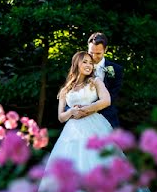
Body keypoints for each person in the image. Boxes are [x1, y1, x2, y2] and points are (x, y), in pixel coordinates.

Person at [42, 51, 120, 181]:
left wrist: (85, 110)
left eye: (91, 63)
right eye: (85, 62)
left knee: (98, 159)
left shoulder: (95, 81)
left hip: (94, 126)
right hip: (72, 130)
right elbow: (61, 117)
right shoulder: (66, 89)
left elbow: (106, 101)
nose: (89, 65)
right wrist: (71, 111)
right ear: (76, 64)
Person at [86, 32, 123, 128]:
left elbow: (113, 95)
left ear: (105, 50)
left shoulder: (115, 69)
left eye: (98, 53)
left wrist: (93, 108)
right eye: (91, 53)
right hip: (82, 116)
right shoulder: (80, 67)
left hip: (106, 116)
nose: (94, 57)